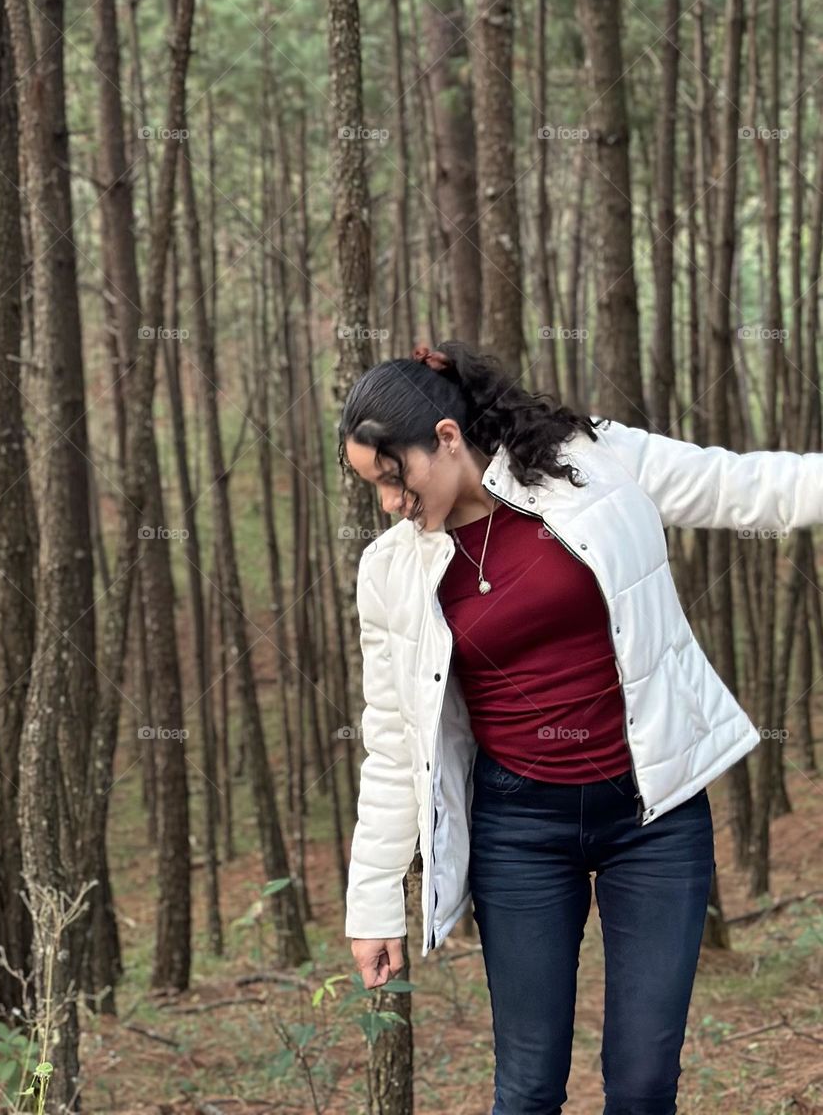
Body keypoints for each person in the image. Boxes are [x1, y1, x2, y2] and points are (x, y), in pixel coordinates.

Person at [336, 339, 823, 1115]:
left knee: (641, 1086)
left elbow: (740, 487)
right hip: (516, 829)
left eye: (394, 479)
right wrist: (371, 907)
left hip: (651, 816)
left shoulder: (586, 461)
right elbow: (393, 742)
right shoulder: (391, 572)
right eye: (376, 490)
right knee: (527, 1088)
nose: (391, 503)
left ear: (448, 439)